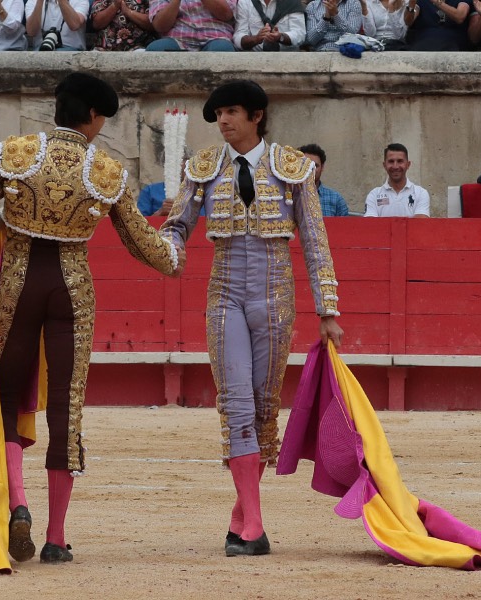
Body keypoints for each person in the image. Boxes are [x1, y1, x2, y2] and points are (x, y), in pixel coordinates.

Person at [0, 72, 180, 564]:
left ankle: (18, 504)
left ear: (56, 109)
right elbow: (144, 245)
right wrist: (175, 252)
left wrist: (7, 233)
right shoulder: (104, 171)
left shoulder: (16, 152)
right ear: (95, 117)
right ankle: (56, 538)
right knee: (66, 406)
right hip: (71, 290)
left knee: (7, 398)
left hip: (18, 282)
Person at [160, 80, 343, 557]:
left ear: (257, 115)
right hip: (224, 291)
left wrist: (328, 309)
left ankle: (242, 515)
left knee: (263, 406)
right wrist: (167, 246)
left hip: (274, 291)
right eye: (219, 113)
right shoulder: (202, 167)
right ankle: (256, 525)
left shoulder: (293, 167)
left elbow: (315, 238)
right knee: (236, 400)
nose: (223, 121)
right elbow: (177, 226)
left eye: (233, 112)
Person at [364, 143, 430, 218]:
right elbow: (371, 226)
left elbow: (420, 225)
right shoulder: (374, 195)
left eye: (400, 161)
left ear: (408, 164)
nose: (395, 166)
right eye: (391, 161)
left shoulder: (421, 193)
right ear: (384, 165)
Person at [146, 0, 237, 51]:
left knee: (222, 49)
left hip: (216, 37)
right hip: (178, 39)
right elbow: (160, 26)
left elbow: (226, 14)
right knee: (156, 49)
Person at [232, 0, 305, 52]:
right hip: (254, 57)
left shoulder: (293, 2)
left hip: (287, 58)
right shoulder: (245, 2)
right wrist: (256, 39)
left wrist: (281, 37)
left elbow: (300, 34)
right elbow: (239, 35)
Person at [298, 143, 350, 216]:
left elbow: (346, 226)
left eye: (316, 165)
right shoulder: (288, 197)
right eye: (306, 164)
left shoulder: (336, 199)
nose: (311, 169)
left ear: (322, 167)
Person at [90, 0, 155, 50]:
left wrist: (128, 12)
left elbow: (153, 24)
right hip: (104, 48)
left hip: (139, 47)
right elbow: (96, 24)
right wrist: (115, 5)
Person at [405, 0, 471, 50]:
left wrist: (437, 2)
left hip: (451, 45)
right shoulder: (422, 1)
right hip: (423, 45)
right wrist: (411, 5)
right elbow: (408, 22)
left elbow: (459, 16)